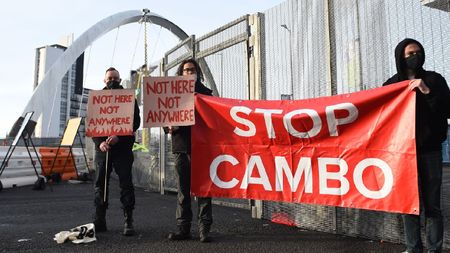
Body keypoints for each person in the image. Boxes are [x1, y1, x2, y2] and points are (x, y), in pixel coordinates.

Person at [383, 38, 450, 253]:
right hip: (403, 153)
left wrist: (426, 91)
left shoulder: (435, 80)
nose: (415, 56)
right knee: (408, 205)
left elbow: (447, 109)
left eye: (418, 52)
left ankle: (434, 249)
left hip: (430, 150)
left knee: (432, 206)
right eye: (410, 53)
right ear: (401, 57)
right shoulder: (391, 85)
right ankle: (413, 248)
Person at [165, 58, 214, 243]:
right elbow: (165, 118)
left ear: (198, 73)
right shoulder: (172, 94)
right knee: (183, 190)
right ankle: (183, 228)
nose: (189, 72)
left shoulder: (206, 94)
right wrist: (168, 127)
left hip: (202, 148)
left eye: (192, 70)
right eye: (186, 70)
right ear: (180, 73)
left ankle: (204, 229)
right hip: (181, 146)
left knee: (203, 189)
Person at [92, 67, 141, 236]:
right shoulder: (97, 99)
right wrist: (99, 143)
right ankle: (100, 218)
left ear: (120, 80)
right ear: (104, 81)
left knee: (125, 183)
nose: (112, 80)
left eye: (115, 78)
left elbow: (135, 122)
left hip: (123, 147)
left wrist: (119, 136)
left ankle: (129, 219)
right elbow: (92, 124)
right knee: (100, 184)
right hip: (103, 149)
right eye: (109, 78)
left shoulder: (128, 98)